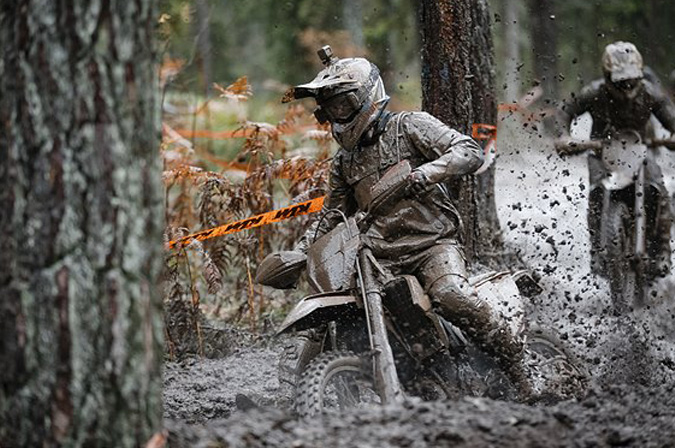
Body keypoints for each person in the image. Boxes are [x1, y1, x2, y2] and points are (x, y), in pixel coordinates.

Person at [281, 45, 530, 396]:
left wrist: (425, 174)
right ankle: (294, 398)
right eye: (330, 108)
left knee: (448, 295)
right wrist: (299, 253)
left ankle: (518, 366)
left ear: (366, 97)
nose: (338, 114)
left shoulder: (409, 126)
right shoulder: (343, 163)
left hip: (432, 244)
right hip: (380, 258)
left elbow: (469, 150)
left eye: (344, 104)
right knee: (355, 312)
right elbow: (332, 215)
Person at [557, 41, 675, 279]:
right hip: (602, 153)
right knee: (597, 194)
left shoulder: (650, 93)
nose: (626, 84)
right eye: (620, 79)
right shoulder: (594, 92)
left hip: (640, 152)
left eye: (631, 78)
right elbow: (566, 110)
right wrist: (564, 135)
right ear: (608, 75)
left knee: (658, 191)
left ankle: (662, 251)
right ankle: (597, 251)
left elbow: (668, 116)